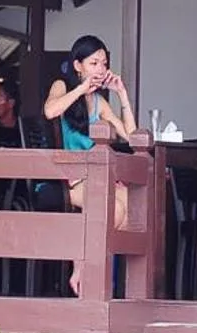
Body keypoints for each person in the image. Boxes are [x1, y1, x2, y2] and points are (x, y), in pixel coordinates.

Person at [43, 36, 137, 295]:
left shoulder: (99, 103)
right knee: (114, 209)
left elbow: (131, 138)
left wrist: (122, 94)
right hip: (66, 179)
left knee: (132, 204)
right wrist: (82, 89)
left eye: (104, 63)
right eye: (93, 63)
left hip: (96, 178)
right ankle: (83, 270)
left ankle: (106, 281)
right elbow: (50, 111)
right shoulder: (62, 86)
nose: (100, 69)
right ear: (78, 66)